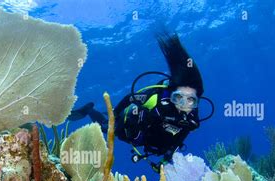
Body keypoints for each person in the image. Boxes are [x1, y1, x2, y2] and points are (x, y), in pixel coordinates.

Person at [68, 33, 214, 173]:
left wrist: (165, 159)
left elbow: (180, 138)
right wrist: (115, 116)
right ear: (171, 94)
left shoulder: (191, 120)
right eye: (178, 98)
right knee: (105, 128)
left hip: (148, 142)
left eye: (191, 100)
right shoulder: (155, 99)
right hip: (127, 128)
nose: (183, 105)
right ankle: (89, 111)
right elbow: (129, 98)